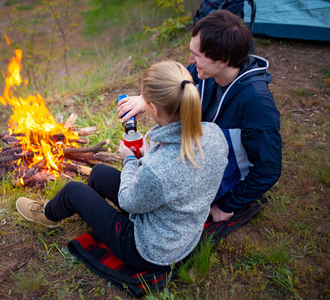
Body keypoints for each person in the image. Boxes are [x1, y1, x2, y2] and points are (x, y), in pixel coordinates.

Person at [16, 61, 228, 270]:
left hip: (151, 250)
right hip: (183, 231)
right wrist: (148, 152)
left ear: (152, 108)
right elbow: (181, 174)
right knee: (98, 173)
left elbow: (129, 201)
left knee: (73, 190)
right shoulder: (214, 134)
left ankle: (47, 214)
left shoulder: (159, 168)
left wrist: (130, 160)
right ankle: (92, 213)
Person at [117, 10, 282, 222]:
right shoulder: (206, 72)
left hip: (224, 179)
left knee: (151, 201)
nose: (190, 60)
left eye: (197, 55)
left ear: (222, 60)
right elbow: (179, 82)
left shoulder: (256, 103)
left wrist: (227, 205)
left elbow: (268, 168)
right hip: (200, 162)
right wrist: (144, 99)